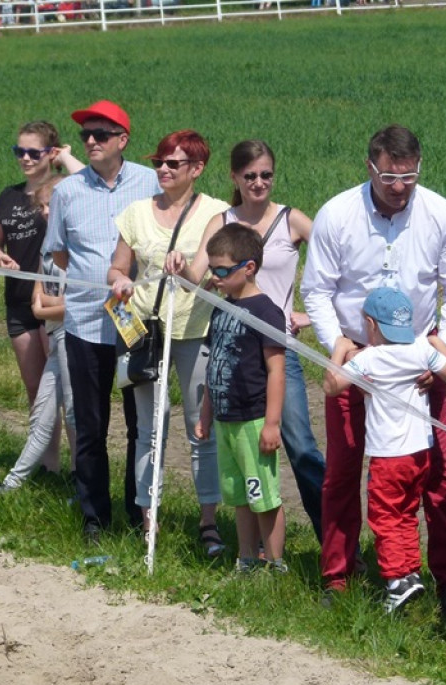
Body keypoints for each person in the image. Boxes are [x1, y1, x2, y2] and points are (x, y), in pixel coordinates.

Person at [301, 124, 446, 614]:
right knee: (343, 470)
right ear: (370, 168)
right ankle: (338, 576)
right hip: (357, 356)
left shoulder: (441, 215)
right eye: (388, 178)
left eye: (409, 177)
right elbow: (316, 289)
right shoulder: (338, 215)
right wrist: (338, 345)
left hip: (419, 357)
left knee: (437, 473)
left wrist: (442, 344)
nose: (399, 187)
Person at [172, 139, 325, 542]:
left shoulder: (292, 220)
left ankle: (335, 547)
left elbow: (339, 262)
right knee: (239, 451)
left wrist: (317, 316)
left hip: (278, 352)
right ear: (235, 177)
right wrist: (180, 269)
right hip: (233, 351)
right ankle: (252, 551)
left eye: (266, 175)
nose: (259, 183)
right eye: (250, 175)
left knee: (301, 448)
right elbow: (195, 281)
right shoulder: (222, 221)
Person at [42, 99, 160, 543]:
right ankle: (95, 518)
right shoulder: (68, 191)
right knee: (89, 423)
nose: (90, 141)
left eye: (101, 134)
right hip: (86, 323)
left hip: (136, 324)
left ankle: (138, 511)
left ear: (123, 141)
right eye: (87, 134)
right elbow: (58, 252)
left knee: (139, 422)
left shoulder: (150, 184)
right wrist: (94, 276)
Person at [109, 130, 228, 556]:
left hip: (194, 330)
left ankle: (209, 523)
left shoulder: (216, 212)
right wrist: (120, 281)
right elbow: (117, 269)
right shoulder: (137, 212)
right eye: (159, 161)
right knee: (148, 429)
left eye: (172, 163)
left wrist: (187, 268)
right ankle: (148, 521)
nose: (162, 169)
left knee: (202, 429)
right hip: (144, 331)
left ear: (196, 169)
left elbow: (203, 272)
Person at [323, 288, 446, 613]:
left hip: (388, 456)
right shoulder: (420, 349)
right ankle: (410, 573)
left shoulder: (369, 358)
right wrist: (437, 343)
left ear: (371, 324)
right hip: (420, 454)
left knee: (386, 516)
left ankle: (397, 579)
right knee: (406, 513)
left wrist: (340, 350)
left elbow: (331, 387)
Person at [0, 121, 81, 469]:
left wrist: (66, 161)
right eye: (19, 151)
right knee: (36, 391)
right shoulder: (8, 196)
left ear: (50, 153)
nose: (24, 158)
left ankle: (76, 469)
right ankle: (49, 465)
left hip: (55, 306)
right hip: (20, 302)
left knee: (67, 394)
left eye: (32, 152)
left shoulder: (67, 192)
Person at [198, 223, 287, 573]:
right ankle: (246, 557)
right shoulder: (220, 309)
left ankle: (276, 563)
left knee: (262, 496)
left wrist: (271, 423)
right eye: (212, 269)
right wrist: (206, 414)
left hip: (253, 419)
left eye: (222, 270)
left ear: (248, 268)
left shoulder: (266, 312)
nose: (215, 277)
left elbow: (276, 371)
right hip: (225, 419)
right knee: (238, 495)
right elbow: (213, 366)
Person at [0, 176, 79, 493]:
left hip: (74, 339)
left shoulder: (79, 246)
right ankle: (12, 484)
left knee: (74, 413)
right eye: (41, 206)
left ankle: (84, 485)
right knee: (41, 414)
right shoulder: (48, 244)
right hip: (56, 338)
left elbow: (81, 302)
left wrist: (49, 307)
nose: (45, 212)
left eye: (51, 205)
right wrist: (49, 307)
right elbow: (37, 299)